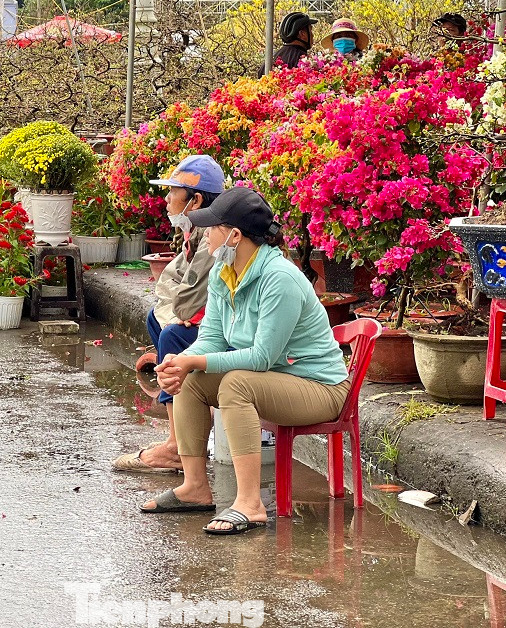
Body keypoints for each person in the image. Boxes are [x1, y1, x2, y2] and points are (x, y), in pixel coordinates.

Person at [140, 187, 350, 535]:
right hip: (274, 381)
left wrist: (198, 362)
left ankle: (250, 504)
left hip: (320, 388)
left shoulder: (278, 278)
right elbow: (212, 338)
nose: (206, 234)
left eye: (213, 227)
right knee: (189, 378)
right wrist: (182, 361)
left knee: (237, 383)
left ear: (235, 235)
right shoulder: (226, 273)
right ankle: (194, 488)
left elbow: (263, 357)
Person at [112, 155, 224, 473]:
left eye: (173, 191)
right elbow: (173, 287)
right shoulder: (195, 232)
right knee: (157, 321)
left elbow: (185, 302)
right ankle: (182, 430)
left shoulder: (212, 239)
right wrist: (178, 311)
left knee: (173, 332)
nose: (166, 199)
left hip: (238, 336)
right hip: (221, 325)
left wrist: (180, 313)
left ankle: (177, 446)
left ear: (196, 200)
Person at [256, 12, 318, 77]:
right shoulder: (306, 61)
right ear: (302, 34)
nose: (312, 35)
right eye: (310, 30)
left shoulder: (271, 59)